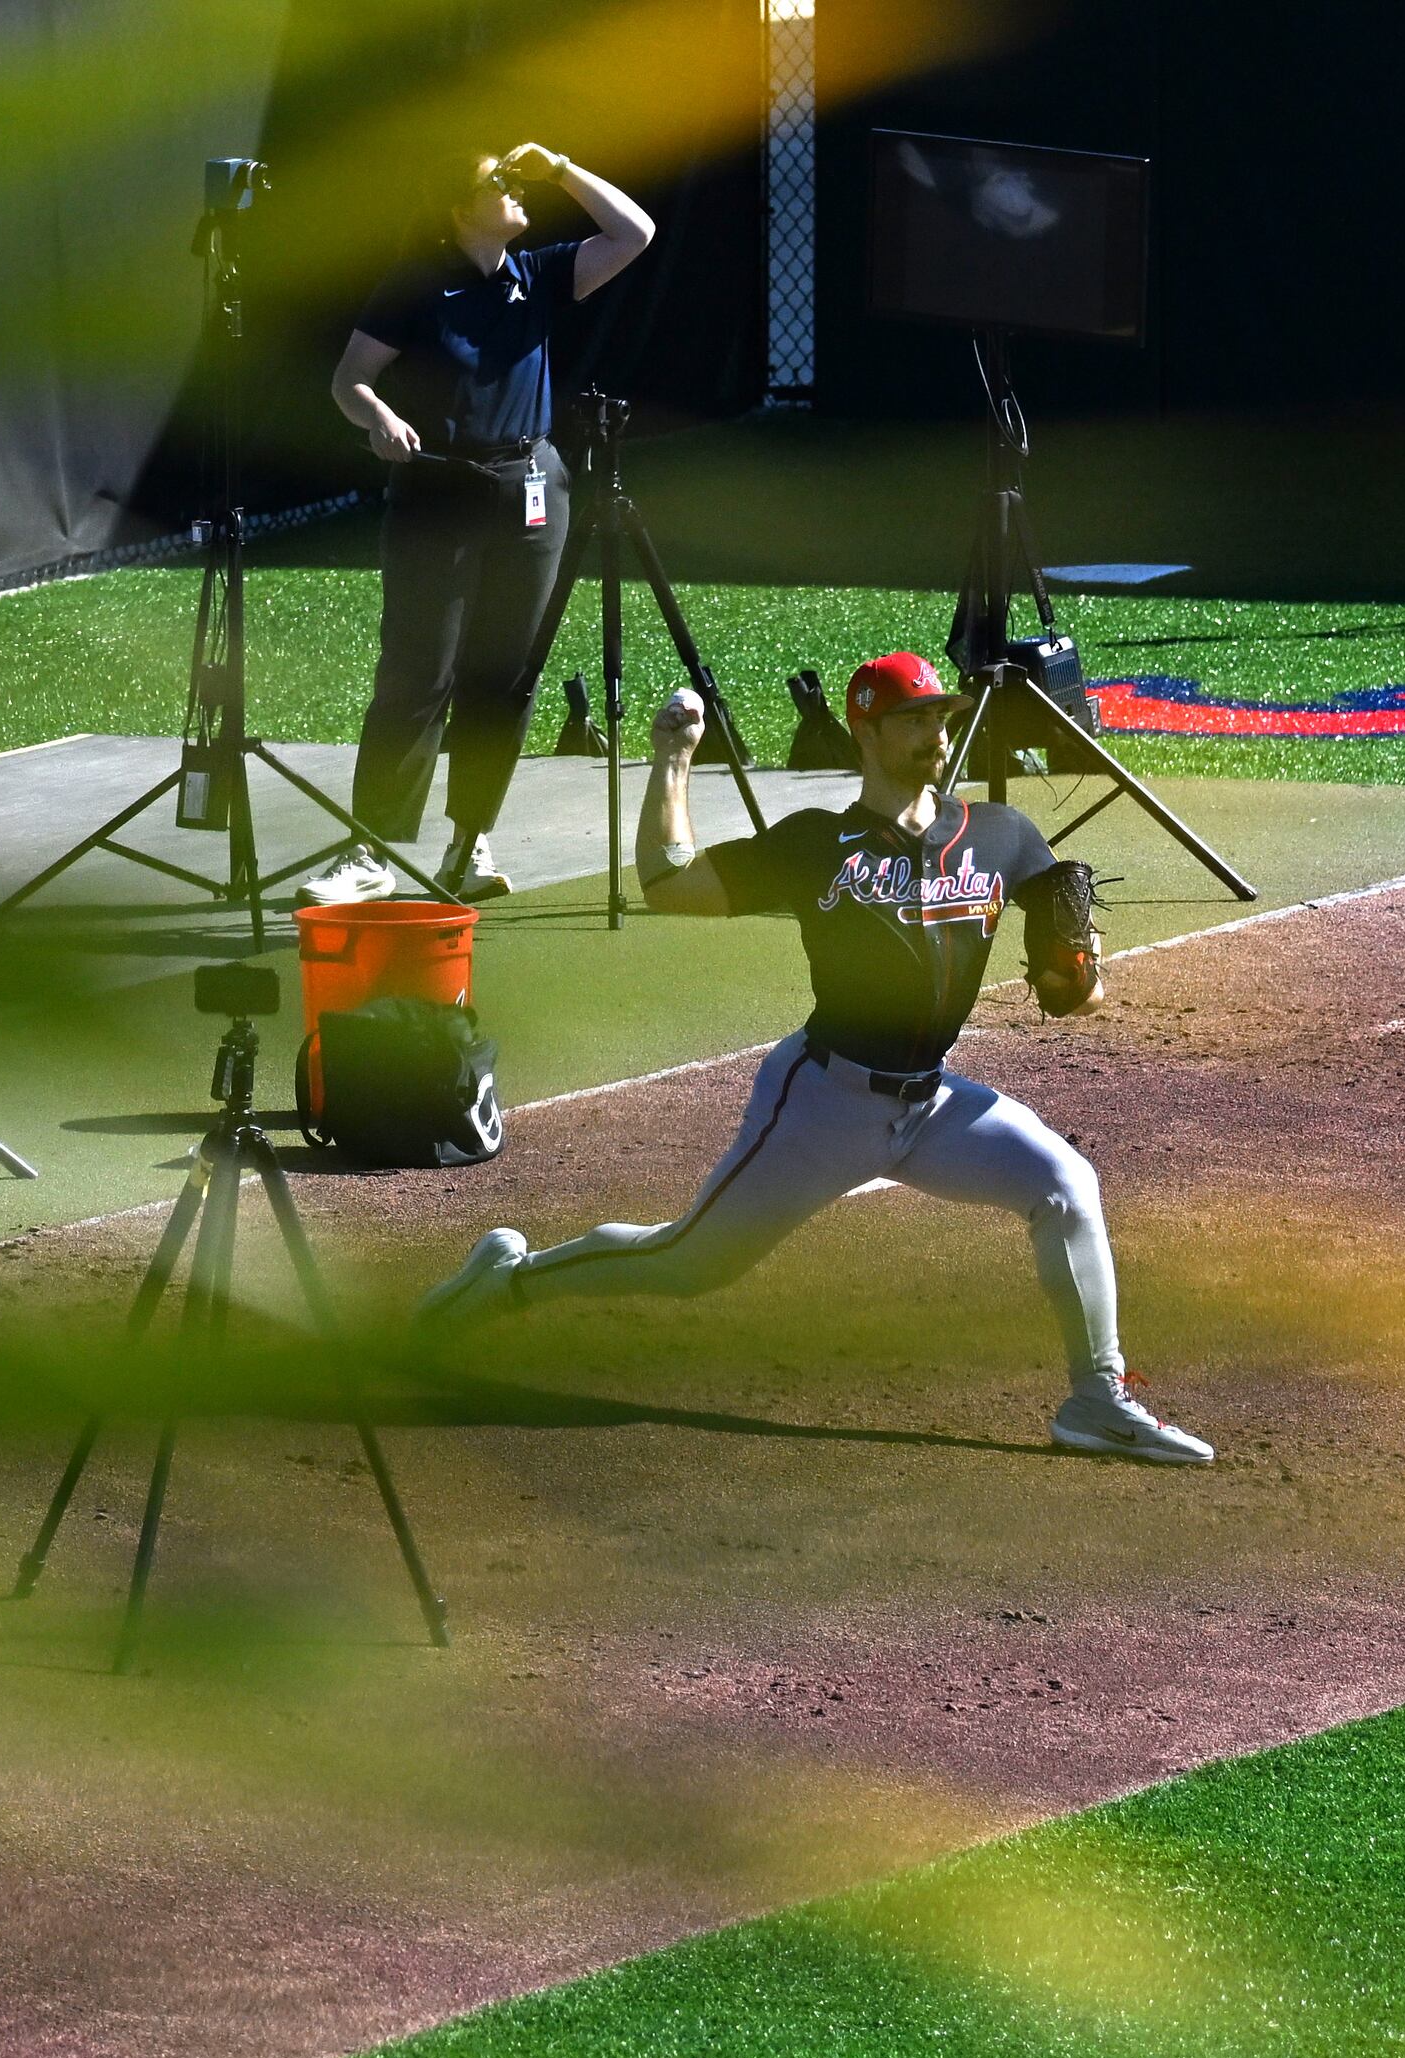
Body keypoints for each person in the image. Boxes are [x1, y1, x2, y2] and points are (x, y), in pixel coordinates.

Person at [411, 653, 1214, 1464]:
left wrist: (1081, 971)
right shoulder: (817, 845)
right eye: (914, 719)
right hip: (824, 1100)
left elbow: (1075, 976)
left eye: (941, 716)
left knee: (1066, 1185)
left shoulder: (1000, 836)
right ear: (864, 730)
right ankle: (507, 1280)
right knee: (691, 1262)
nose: (936, 732)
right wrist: (673, 761)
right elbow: (667, 882)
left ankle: (1097, 1401)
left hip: (933, 1105)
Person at [313, 143, 655, 906]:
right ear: (456, 209)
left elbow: (635, 233)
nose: (513, 187)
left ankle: (470, 842)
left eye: (512, 177)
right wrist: (380, 418)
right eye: (495, 181)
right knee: (418, 672)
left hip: (533, 489)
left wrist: (561, 166)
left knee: (505, 679)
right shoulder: (415, 286)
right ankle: (370, 850)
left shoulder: (532, 274)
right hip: (439, 494)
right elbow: (350, 381)